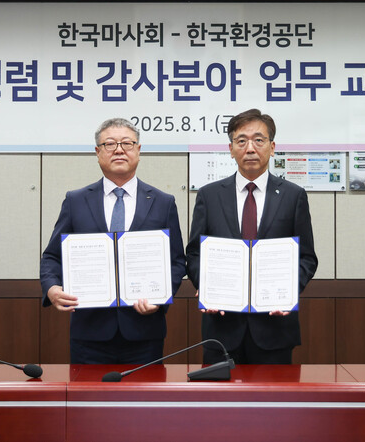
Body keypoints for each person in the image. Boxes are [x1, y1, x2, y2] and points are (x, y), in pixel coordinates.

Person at [40, 118, 187, 364]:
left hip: (144, 333)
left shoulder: (163, 202)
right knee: (87, 402)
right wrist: (52, 288)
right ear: (98, 153)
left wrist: (160, 297)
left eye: (127, 143)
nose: (119, 150)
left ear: (138, 150)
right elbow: (52, 256)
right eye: (110, 144)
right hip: (89, 333)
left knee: (143, 402)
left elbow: (177, 261)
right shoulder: (76, 201)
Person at [186, 108, 318, 364]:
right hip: (221, 327)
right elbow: (194, 253)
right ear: (231, 148)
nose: (250, 148)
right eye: (241, 140)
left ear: (272, 146)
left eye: (259, 140)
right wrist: (206, 288)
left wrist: (288, 292)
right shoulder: (209, 195)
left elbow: (307, 258)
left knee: (273, 403)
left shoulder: (293, 196)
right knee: (217, 402)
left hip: (274, 329)